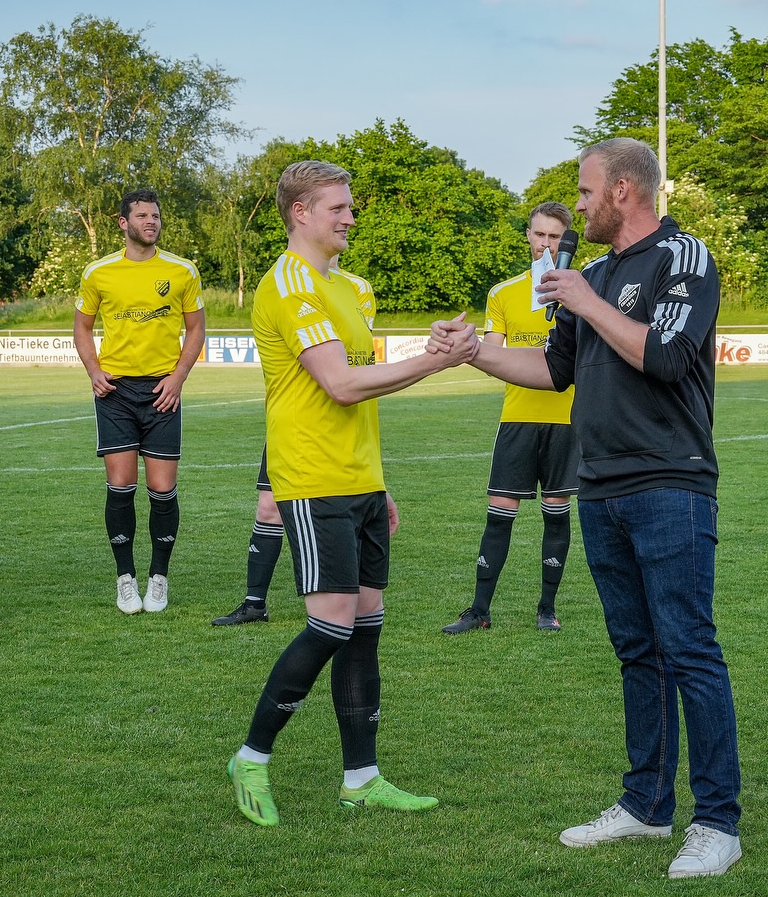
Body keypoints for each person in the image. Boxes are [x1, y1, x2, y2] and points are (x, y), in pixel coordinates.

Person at [431, 138, 742, 879]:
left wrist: (586, 301)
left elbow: (667, 355)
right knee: (637, 651)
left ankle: (717, 822)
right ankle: (646, 804)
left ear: (624, 190)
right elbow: (552, 369)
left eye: (584, 190)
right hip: (599, 484)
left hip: (669, 482)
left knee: (689, 648)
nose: (577, 205)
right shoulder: (594, 274)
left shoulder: (683, 257)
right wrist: (471, 351)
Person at [226, 160, 476, 826]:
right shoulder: (288, 284)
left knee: (365, 625)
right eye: (337, 207)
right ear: (300, 212)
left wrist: (379, 481)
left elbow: (365, 380)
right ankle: (251, 756)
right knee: (332, 622)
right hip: (311, 478)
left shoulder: (354, 289)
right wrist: (438, 361)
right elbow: (338, 384)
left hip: (360, 479)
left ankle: (361, 778)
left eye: (350, 206)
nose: (350, 217)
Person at [212, 258, 375, 627]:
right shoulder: (287, 283)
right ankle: (255, 602)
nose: (343, 228)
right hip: (295, 425)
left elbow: (354, 355)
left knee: (349, 512)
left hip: (339, 428)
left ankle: (342, 601)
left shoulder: (357, 287)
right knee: (268, 507)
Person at [442, 201, 578, 634]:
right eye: (540, 234)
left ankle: (547, 609)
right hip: (517, 418)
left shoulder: (582, 291)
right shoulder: (503, 293)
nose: (546, 244)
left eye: (555, 236)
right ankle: (479, 610)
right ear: (528, 235)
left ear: (566, 241)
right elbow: (492, 355)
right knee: (499, 513)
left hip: (567, 420)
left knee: (556, 512)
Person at [74, 190, 206, 615]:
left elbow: (196, 328)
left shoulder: (182, 270)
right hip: (115, 392)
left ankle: (159, 578)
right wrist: (94, 371)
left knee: (162, 490)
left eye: (156, 216)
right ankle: (125, 578)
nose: (151, 221)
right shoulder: (98, 272)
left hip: (162, 391)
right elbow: (81, 327)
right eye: (143, 215)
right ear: (123, 222)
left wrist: (177, 378)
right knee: (121, 487)